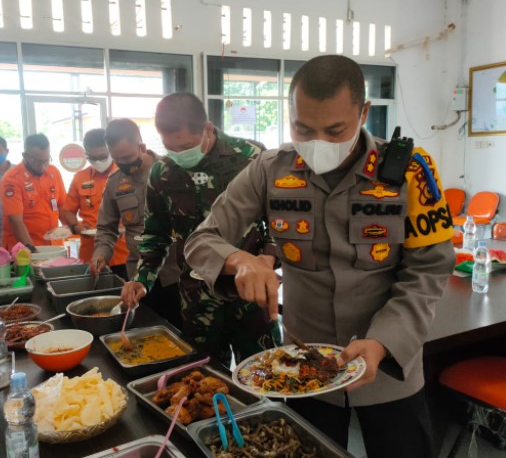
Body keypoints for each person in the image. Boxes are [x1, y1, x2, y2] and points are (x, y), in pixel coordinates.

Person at [185, 55, 456, 458]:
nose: (318, 145)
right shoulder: (268, 171)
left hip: (389, 368)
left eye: (335, 130)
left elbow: (428, 272)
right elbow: (201, 240)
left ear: (363, 112)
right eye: (303, 129)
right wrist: (239, 260)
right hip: (303, 371)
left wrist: (382, 342)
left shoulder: (410, 172)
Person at [121, 93, 278, 366]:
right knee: (203, 377)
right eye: (172, 149)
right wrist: (142, 279)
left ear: (207, 128)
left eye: (187, 147)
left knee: (265, 372)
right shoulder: (162, 173)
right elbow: (156, 234)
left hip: (251, 294)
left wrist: (269, 256)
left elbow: (279, 218)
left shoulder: (250, 157)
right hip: (197, 296)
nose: (180, 156)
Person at [90, 119, 181, 327]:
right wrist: (100, 254)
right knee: (146, 329)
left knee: (180, 332)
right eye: (117, 159)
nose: (123, 163)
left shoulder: (173, 172)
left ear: (142, 146)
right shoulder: (115, 183)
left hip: (175, 273)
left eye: (128, 157)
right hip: (136, 276)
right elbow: (106, 227)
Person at [61, 128, 129, 277]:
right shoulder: (80, 178)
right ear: (86, 154)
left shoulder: (127, 174)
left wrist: (127, 229)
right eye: (93, 158)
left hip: (123, 253)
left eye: (103, 156)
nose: (98, 161)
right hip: (90, 253)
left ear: (111, 150)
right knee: (94, 298)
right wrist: (76, 226)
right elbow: (68, 210)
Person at [0, 133, 67, 251]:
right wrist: (32, 250)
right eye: (37, 161)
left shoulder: (53, 172)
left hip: (53, 247)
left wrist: (74, 227)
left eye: (46, 160)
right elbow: (15, 220)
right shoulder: (12, 179)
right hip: (24, 250)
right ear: (25, 155)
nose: (42, 166)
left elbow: (61, 206)